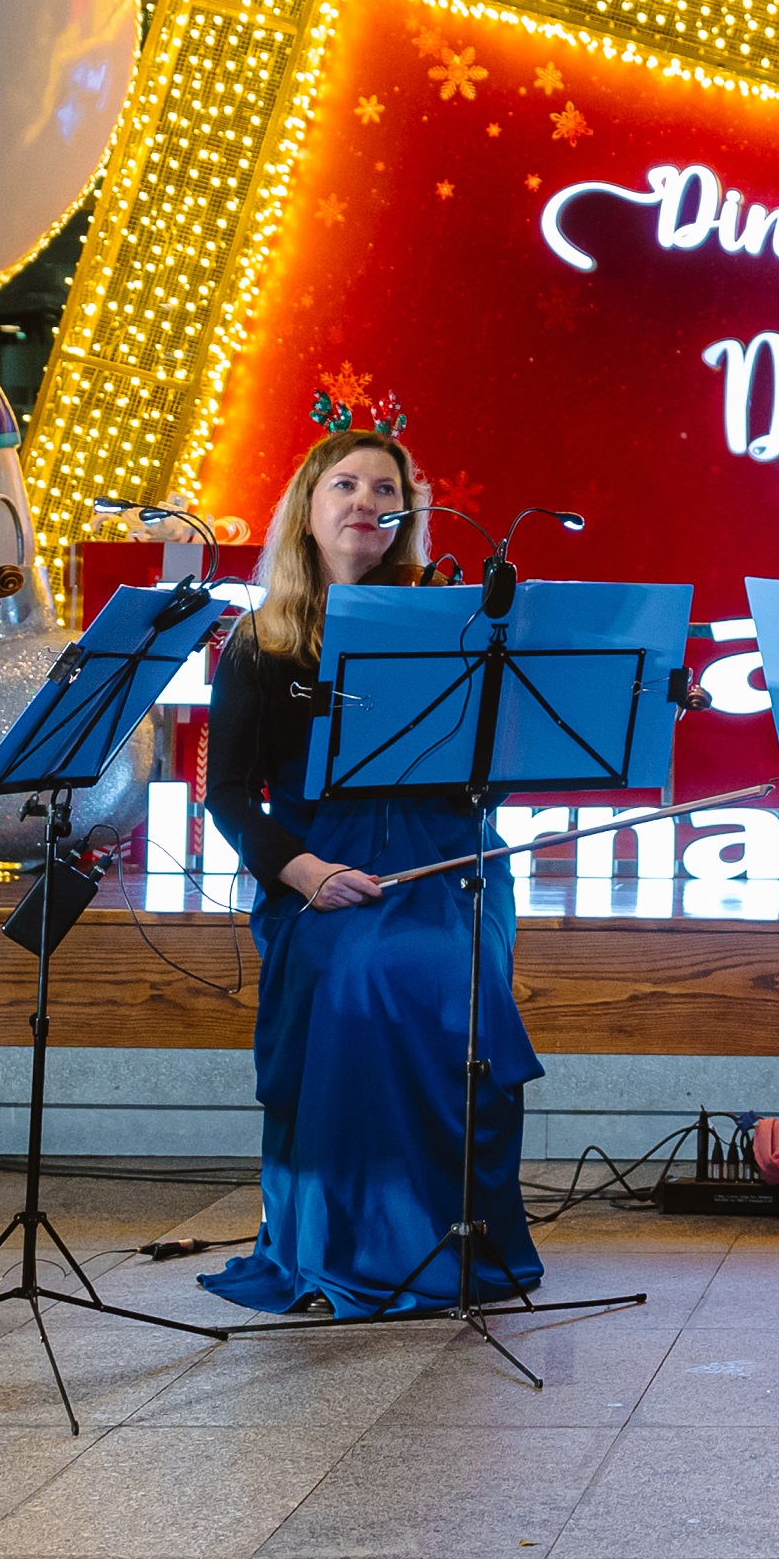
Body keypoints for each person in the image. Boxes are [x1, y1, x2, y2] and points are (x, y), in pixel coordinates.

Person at [198, 427, 547, 1316]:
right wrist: (304, 871)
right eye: (343, 484)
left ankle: (456, 1238)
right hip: (321, 861)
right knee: (356, 967)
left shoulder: (452, 619)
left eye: (382, 488)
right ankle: (343, 1239)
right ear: (307, 510)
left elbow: (496, 763)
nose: (364, 502)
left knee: (439, 973)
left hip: (445, 851)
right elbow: (230, 796)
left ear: (406, 511)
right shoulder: (257, 639)